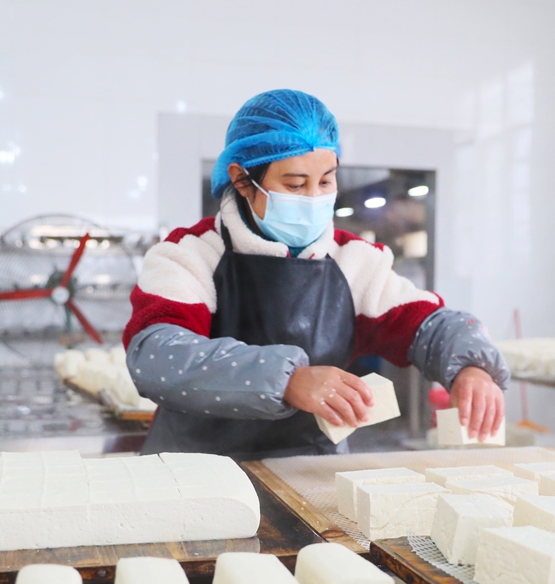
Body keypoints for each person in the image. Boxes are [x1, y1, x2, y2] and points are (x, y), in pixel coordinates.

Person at [123, 89, 509, 460]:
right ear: (242, 179)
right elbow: (158, 356)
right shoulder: (190, 254)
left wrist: (471, 367)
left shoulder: (354, 261)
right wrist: (285, 379)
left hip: (311, 472)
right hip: (195, 472)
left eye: (326, 181)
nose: (313, 199)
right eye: (295, 184)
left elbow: (431, 326)